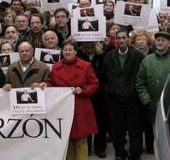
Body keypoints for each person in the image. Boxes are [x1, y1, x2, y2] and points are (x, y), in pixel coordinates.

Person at [45, 38, 99, 160]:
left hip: (81, 107)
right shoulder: (55, 67)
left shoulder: (86, 66)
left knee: (81, 142)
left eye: (70, 49)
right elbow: (51, 83)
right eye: (65, 50)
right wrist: (45, 85)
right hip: (63, 109)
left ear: (75, 51)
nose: (68, 52)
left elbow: (94, 83)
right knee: (66, 141)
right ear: (62, 52)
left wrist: (83, 90)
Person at [102, 29, 144, 160]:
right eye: (118, 38)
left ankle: (135, 154)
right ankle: (120, 153)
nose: (121, 40)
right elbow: (103, 77)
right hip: (114, 99)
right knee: (117, 130)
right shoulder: (109, 56)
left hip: (133, 100)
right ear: (115, 40)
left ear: (128, 39)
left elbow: (141, 77)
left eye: (124, 38)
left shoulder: (138, 56)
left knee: (135, 130)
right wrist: (109, 91)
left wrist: (134, 92)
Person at [136, 31, 170, 122]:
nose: (160, 42)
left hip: (168, 106)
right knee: (153, 134)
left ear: (169, 43)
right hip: (151, 107)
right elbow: (140, 83)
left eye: (163, 40)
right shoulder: (147, 60)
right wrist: (147, 101)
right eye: (158, 40)